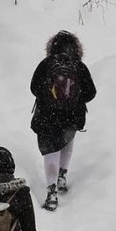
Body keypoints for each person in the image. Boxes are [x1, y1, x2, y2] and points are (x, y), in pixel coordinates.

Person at [30, 30, 97, 211]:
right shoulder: (79, 66)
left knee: (50, 151)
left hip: (46, 117)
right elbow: (91, 92)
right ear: (76, 48)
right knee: (67, 141)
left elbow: (33, 87)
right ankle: (62, 176)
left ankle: (52, 192)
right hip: (71, 117)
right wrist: (75, 99)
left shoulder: (46, 64)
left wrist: (49, 98)